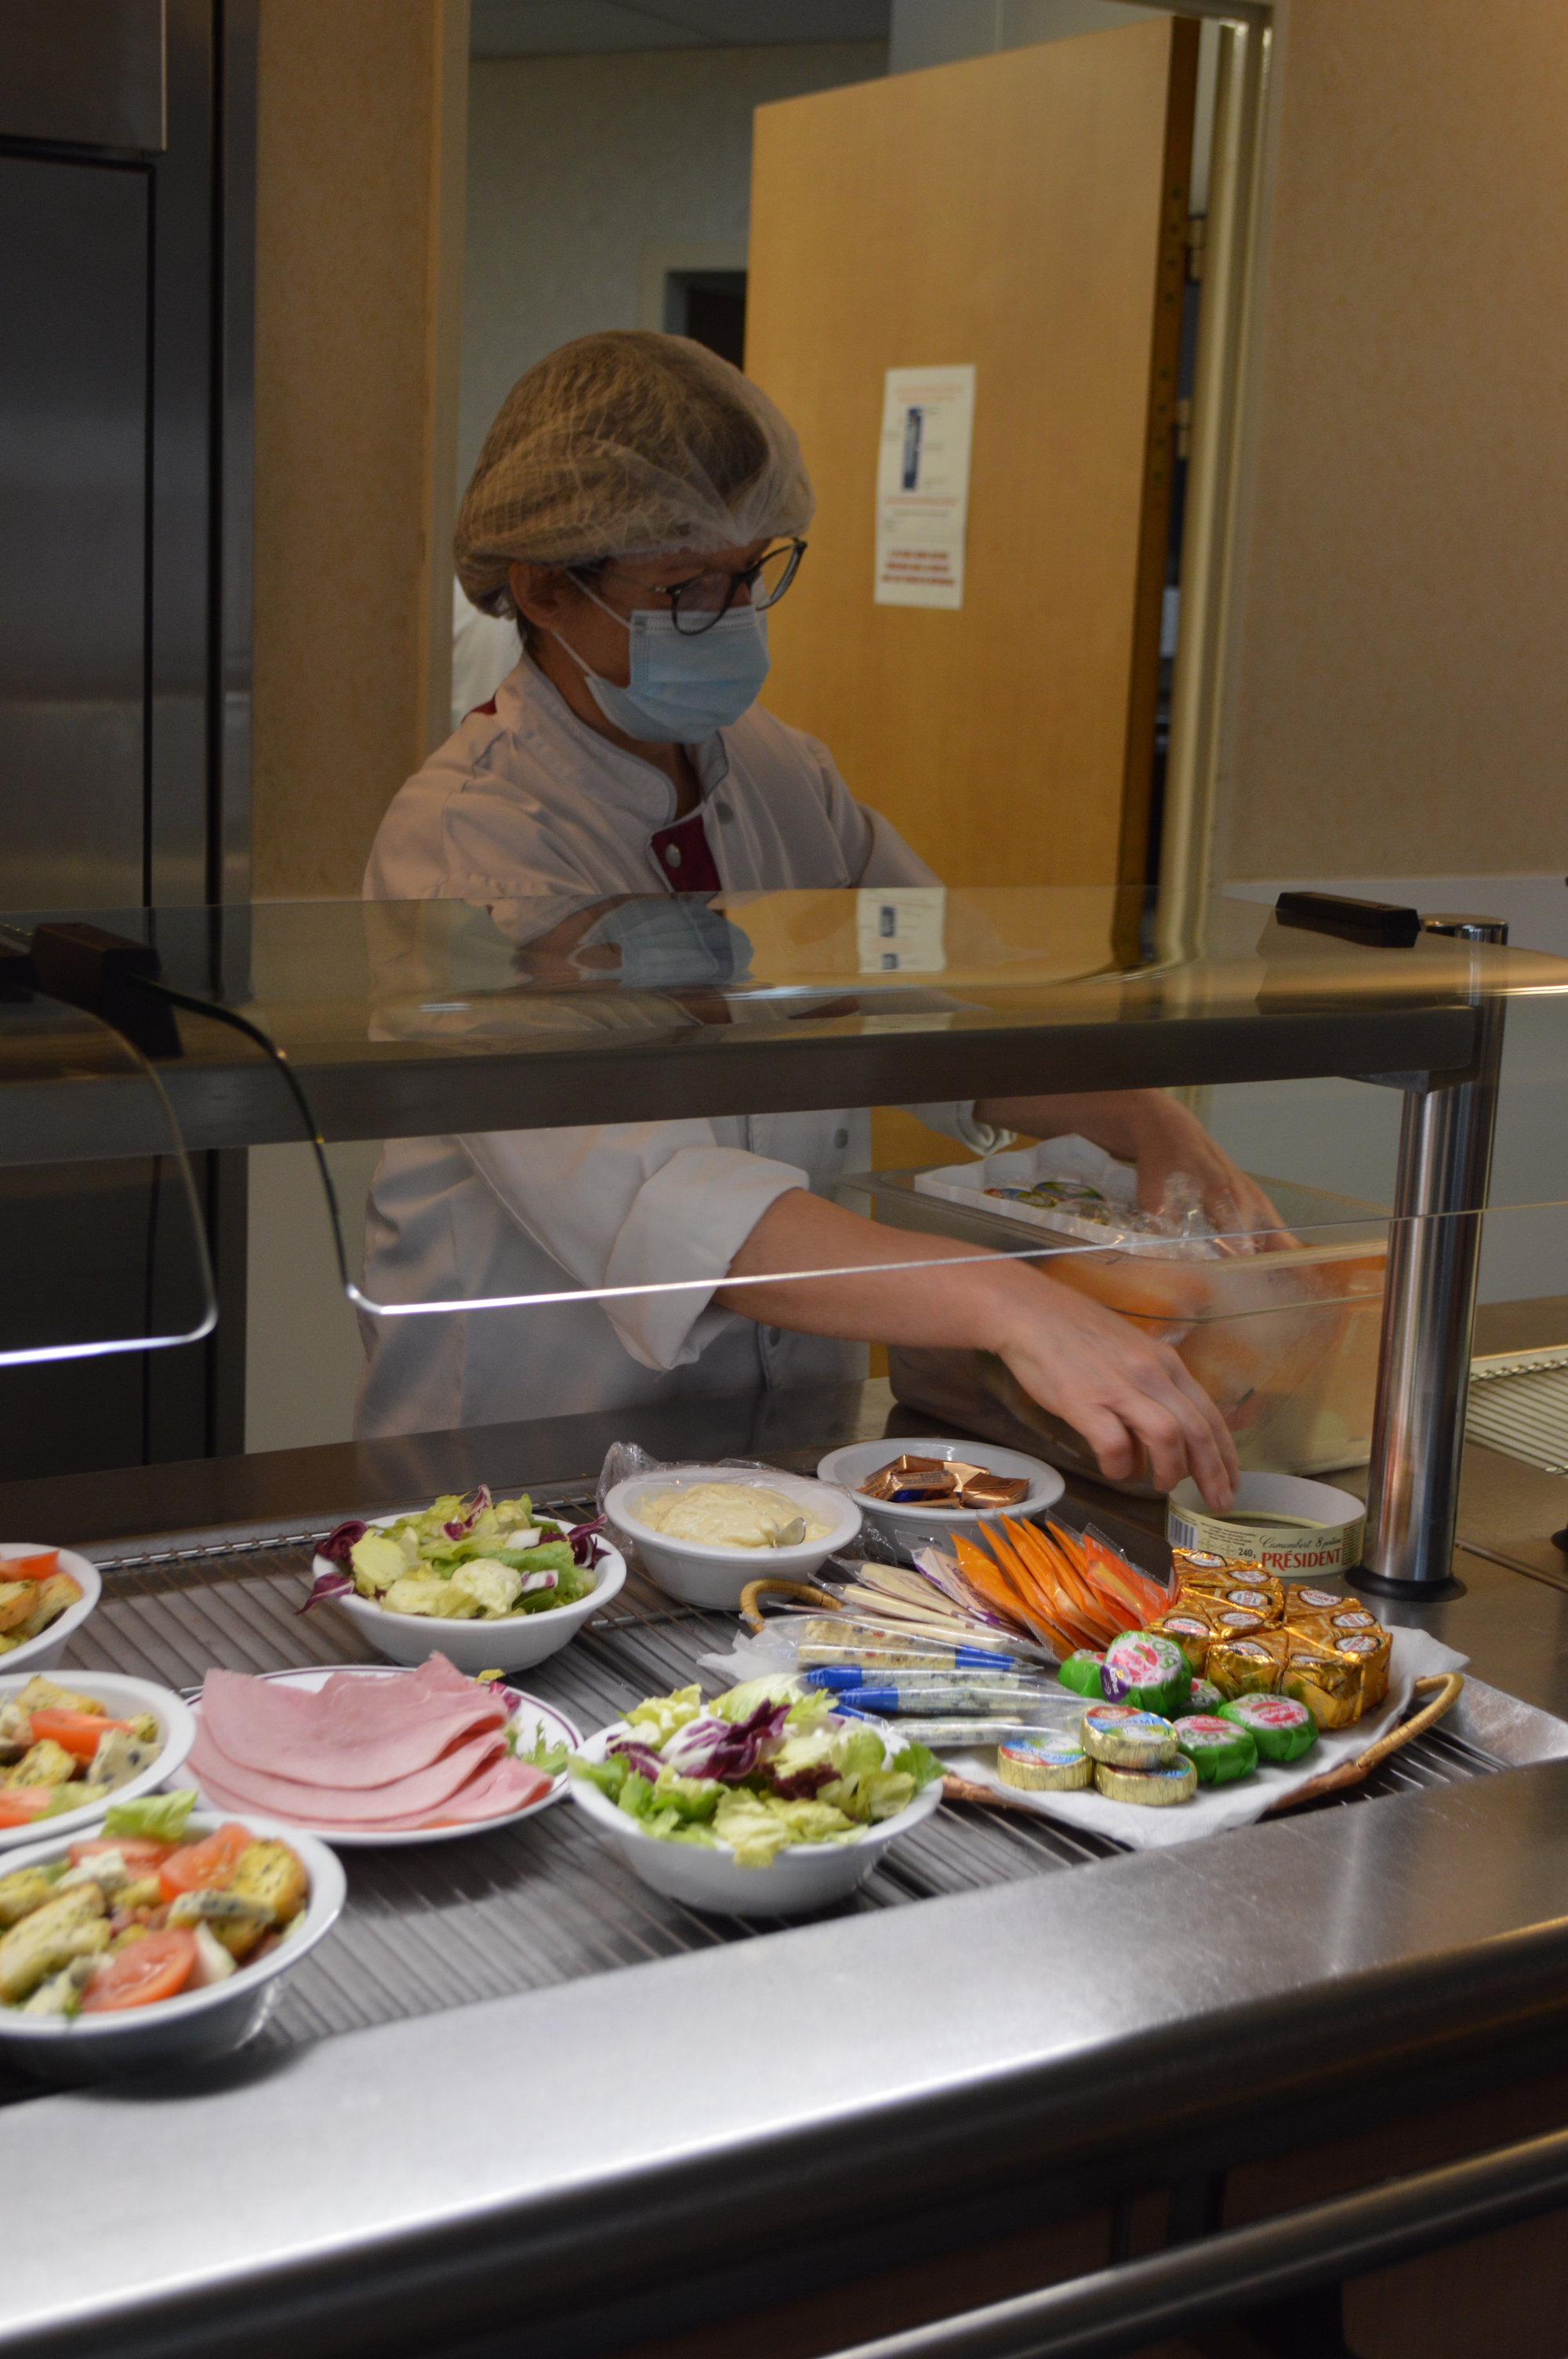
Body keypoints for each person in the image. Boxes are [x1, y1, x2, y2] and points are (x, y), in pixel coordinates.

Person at [361, 332, 1274, 1506]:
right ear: (542, 585)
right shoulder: (471, 840)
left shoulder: (786, 777)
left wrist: (1154, 1129)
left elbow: (957, 1016)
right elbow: (656, 1200)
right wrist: (1009, 1302)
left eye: (751, 574)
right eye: (685, 590)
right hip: (519, 1447)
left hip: (788, 1443)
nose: (734, 615)